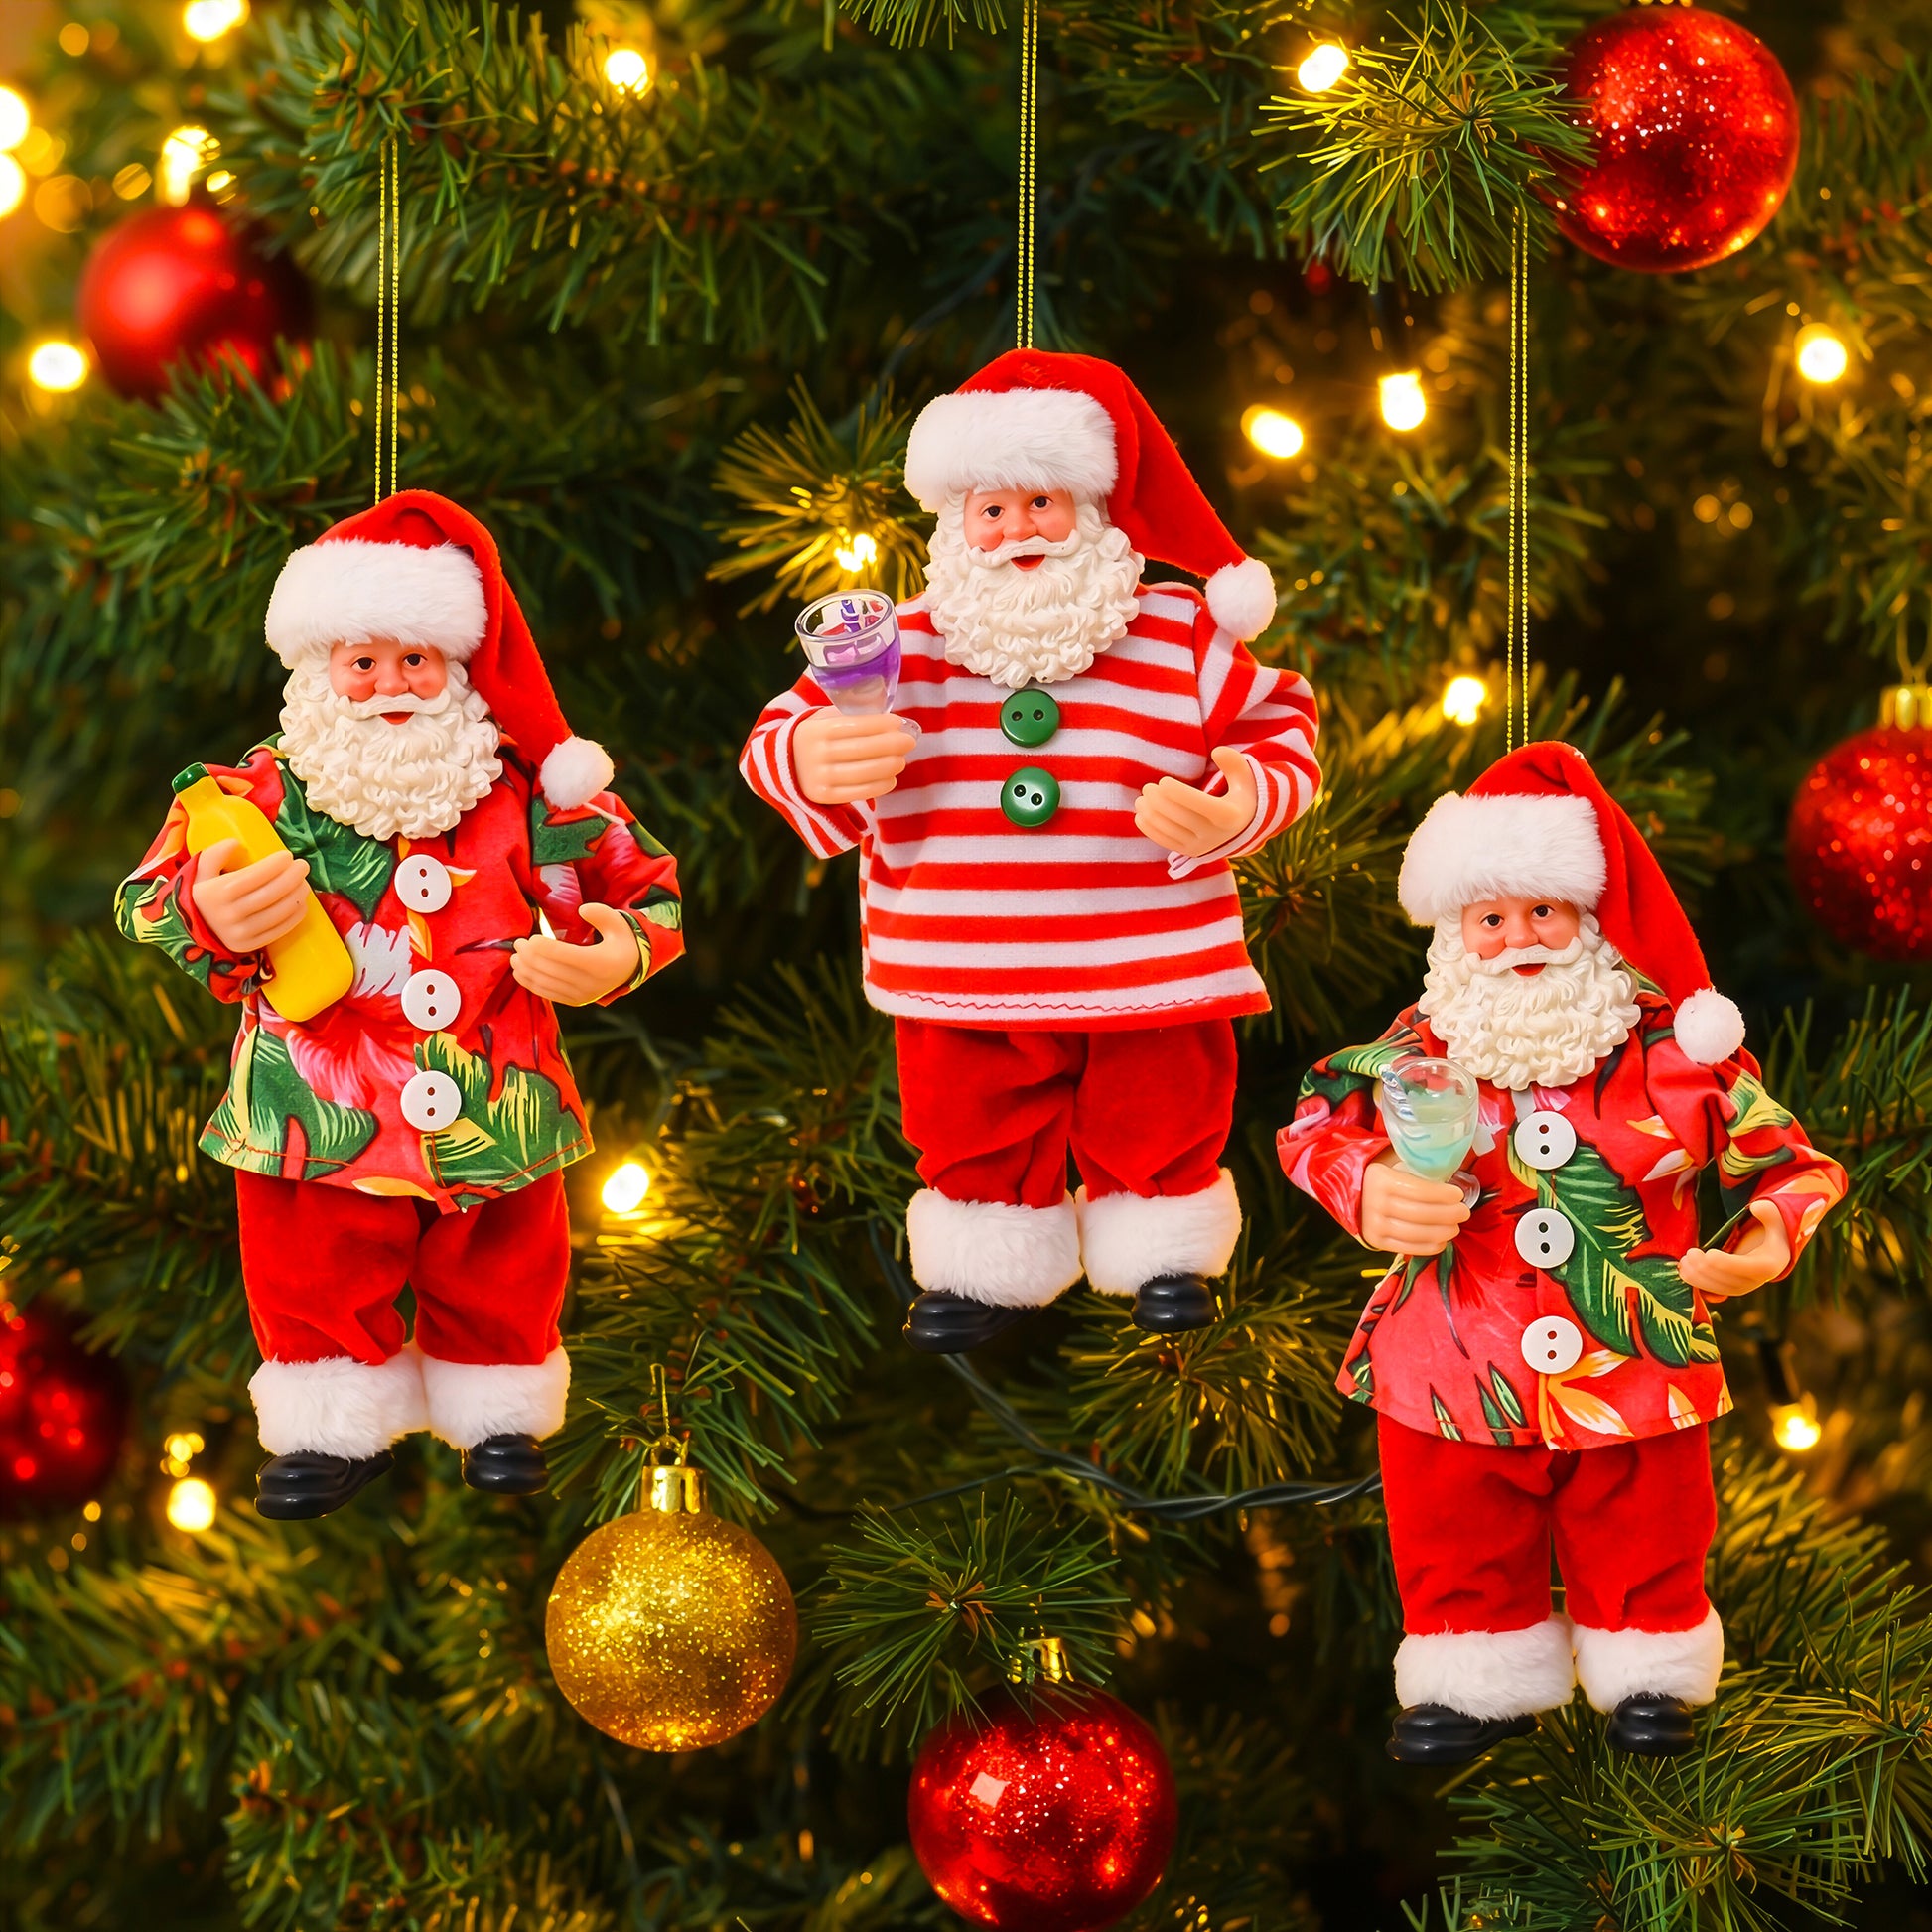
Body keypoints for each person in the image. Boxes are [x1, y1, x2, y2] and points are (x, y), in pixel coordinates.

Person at [116, 490, 684, 1519]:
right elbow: (151, 895)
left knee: (507, 1256)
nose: (388, 685)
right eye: (362, 662)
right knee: (311, 1265)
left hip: (496, 1097)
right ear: (318, 664)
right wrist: (207, 905)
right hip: (314, 1112)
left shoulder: (527, 792)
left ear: (458, 665)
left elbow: (643, 886)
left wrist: (617, 951)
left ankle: (499, 1409)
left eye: (414, 661)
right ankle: (331, 1424)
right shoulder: (260, 793)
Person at [742, 350, 1319, 1352]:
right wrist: (817, 753)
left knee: (1163, 1098)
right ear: (951, 522)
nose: (1016, 532)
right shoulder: (893, 642)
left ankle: (1161, 1249)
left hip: (1148, 957)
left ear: (1093, 507)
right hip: (960, 964)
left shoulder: (1179, 631)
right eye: (990, 510)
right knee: (969, 1113)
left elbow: (1282, 726)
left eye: (1041, 503)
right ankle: (982, 1261)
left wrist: (1237, 805)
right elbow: (770, 743)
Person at [1281, 741, 1845, 1763]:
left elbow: (1791, 1160)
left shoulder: (1676, 1053)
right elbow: (1313, 1121)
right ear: (1455, 932)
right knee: (1452, 1525)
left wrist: (1764, 1240)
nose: (1515, 939)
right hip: (1448, 1364)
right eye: (1489, 918)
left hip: (1632, 1357)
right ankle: (1467, 1670)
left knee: (1646, 1522)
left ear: (1590, 917)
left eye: (1541, 911)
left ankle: (1646, 1671)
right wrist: (1365, 1186)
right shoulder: (1416, 1050)